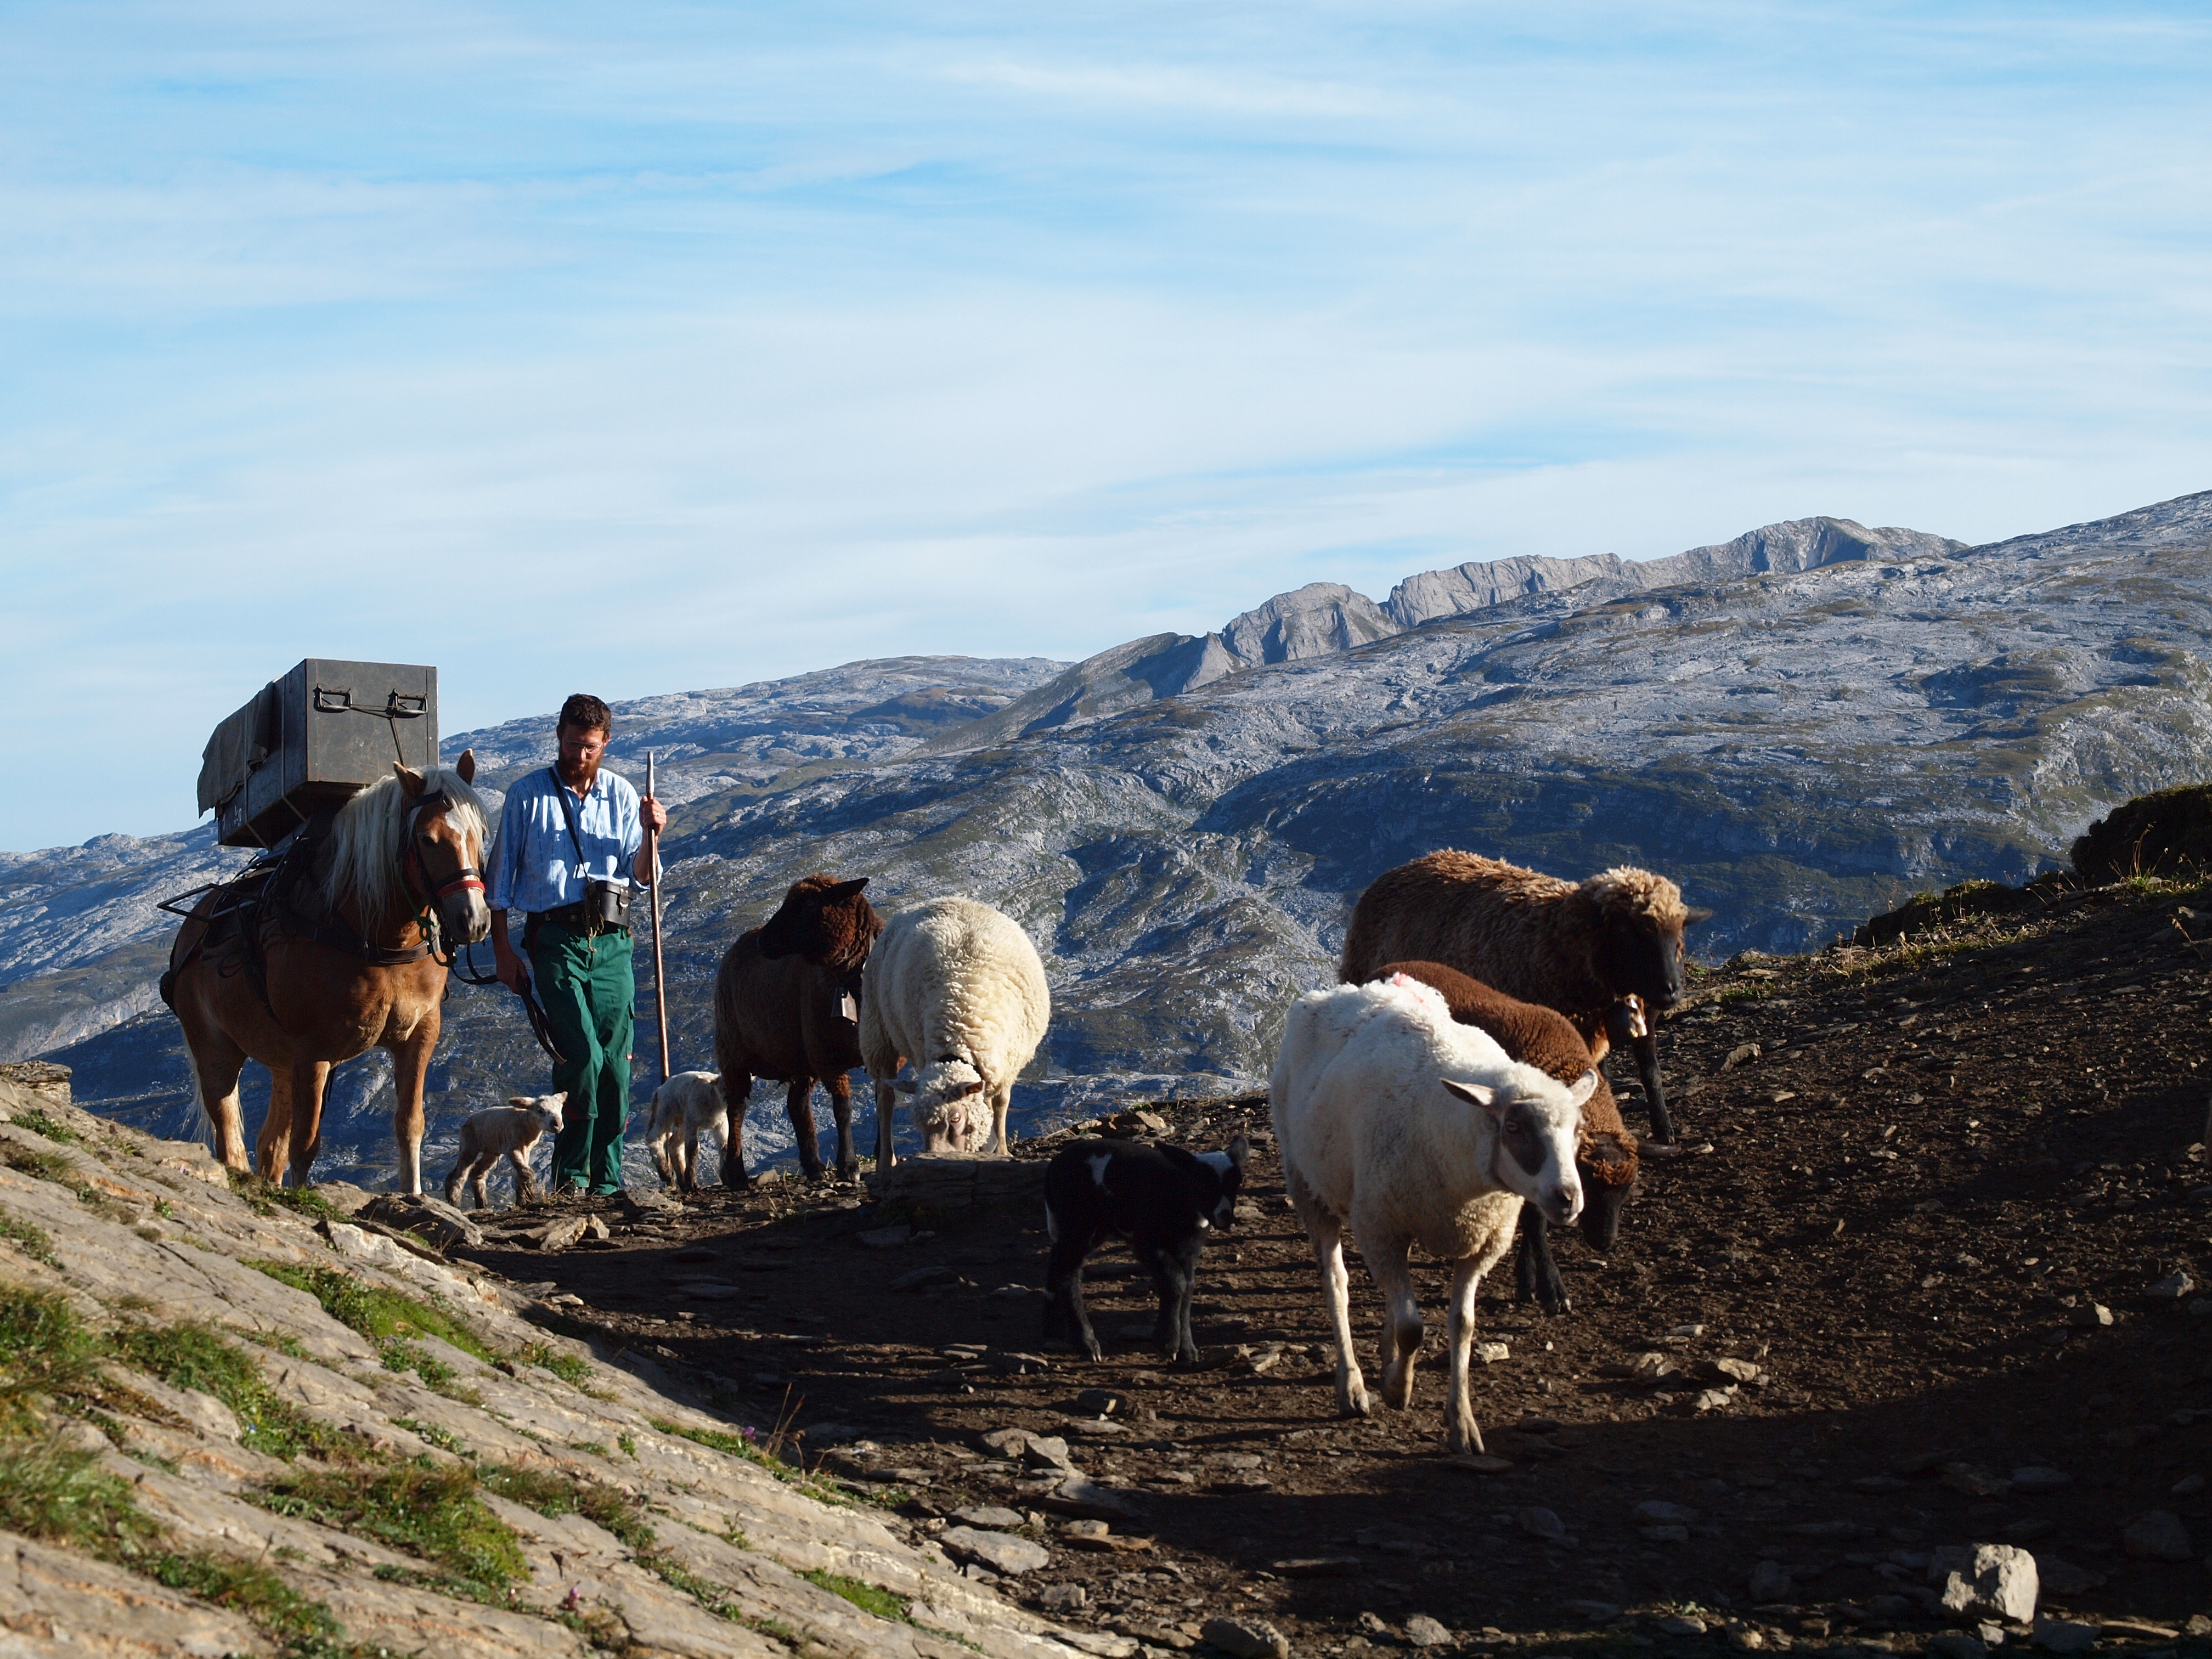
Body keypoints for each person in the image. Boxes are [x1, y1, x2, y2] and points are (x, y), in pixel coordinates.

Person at [489, 693, 669, 1196]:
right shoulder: (526, 796)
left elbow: (641, 877)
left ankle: (606, 1181)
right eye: (572, 744)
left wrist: (654, 833)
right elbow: (498, 883)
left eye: (590, 746)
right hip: (555, 938)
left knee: (615, 1061)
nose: (580, 755)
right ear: (559, 737)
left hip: (613, 939)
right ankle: (570, 1177)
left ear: (605, 742)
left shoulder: (622, 794)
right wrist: (504, 952)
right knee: (582, 1055)